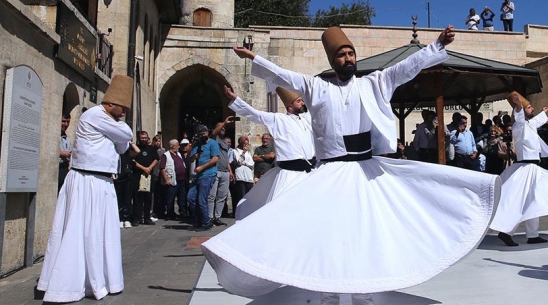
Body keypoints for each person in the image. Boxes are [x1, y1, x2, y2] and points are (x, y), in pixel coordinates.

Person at [201, 26, 499, 300]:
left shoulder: (373, 83)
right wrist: (255, 56)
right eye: (342, 54)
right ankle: (328, 294)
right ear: (333, 60)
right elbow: (283, 75)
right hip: (330, 173)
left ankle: (363, 294)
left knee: (364, 234)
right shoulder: (317, 88)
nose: (348, 58)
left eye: (351, 53)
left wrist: (435, 45)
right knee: (329, 237)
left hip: (364, 172)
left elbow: (405, 68)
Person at [37, 75, 134, 302]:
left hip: (101, 182)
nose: (123, 114)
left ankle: (98, 278)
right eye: (121, 109)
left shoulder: (109, 121)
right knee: (80, 231)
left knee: (101, 233)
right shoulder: (95, 115)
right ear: (110, 104)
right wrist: (120, 130)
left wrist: (119, 132)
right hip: (86, 180)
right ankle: (68, 284)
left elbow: (122, 147)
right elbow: (127, 136)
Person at [491, 92, 548, 246]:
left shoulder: (529, 125)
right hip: (525, 167)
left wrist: (543, 113)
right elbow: (519, 117)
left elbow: (535, 122)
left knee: (533, 200)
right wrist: (518, 104)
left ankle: (532, 235)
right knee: (520, 201)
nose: (532, 108)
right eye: (529, 107)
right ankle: (506, 232)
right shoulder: (518, 125)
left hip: (533, 167)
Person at [226, 86, 315, 220]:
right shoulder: (278, 119)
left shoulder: (307, 119)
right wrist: (236, 99)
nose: (303, 103)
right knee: (282, 211)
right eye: (299, 101)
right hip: (289, 174)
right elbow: (254, 114)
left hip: (310, 173)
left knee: (309, 209)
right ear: (290, 106)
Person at [188, 124, 221, 230]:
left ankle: (206, 222)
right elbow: (190, 159)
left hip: (208, 174)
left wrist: (201, 167)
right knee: (191, 197)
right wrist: (193, 147)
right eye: (201, 134)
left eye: (204, 133)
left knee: (202, 199)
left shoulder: (213, 143)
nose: (203, 136)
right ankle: (198, 219)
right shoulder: (197, 144)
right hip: (198, 176)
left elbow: (215, 159)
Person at [131, 131, 158, 226]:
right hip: (137, 175)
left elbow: (156, 159)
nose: (144, 139)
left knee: (148, 198)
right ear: (139, 138)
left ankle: (147, 217)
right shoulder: (135, 149)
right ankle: (137, 218)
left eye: (145, 138)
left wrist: (149, 168)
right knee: (137, 197)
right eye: (142, 138)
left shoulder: (152, 148)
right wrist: (143, 168)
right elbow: (132, 161)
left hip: (148, 176)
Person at [160, 139, 187, 221]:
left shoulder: (178, 154)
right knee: (170, 198)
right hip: (172, 180)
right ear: (173, 146)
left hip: (181, 180)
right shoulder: (166, 155)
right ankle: (170, 214)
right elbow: (162, 168)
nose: (179, 146)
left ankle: (183, 214)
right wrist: (166, 179)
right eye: (177, 145)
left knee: (182, 198)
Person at [58, 113, 72, 192]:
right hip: (57, 168)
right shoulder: (53, 135)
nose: (66, 124)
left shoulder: (67, 138)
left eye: (68, 122)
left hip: (65, 168)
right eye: (63, 121)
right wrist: (61, 153)